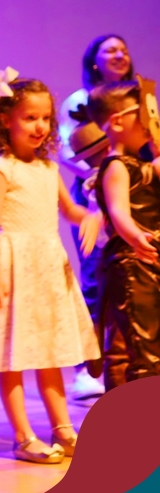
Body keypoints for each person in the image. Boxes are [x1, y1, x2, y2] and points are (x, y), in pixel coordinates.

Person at [0, 70, 101, 463]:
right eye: (30, 117)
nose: (40, 126)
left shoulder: (49, 168)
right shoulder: (1, 169)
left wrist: (91, 214)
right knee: (14, 355)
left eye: (45, 118)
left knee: (50, 353)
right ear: (6, 119)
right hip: (15, 267)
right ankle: (23, 437)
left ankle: (63, 429)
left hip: (48, 268)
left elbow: (69, 211)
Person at [57, 34, 137, 400]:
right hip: (93, 191)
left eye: (123, 49)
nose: (120, 55)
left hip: (135, 188)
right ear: (94, 61)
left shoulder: (138, 99)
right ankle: (89, 369)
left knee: (134, 278)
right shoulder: (80, 101)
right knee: (95, 279)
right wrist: (100, 173)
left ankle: (132, 359)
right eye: (110, 50)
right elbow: (66, 150)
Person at [87, 81, 160, 388]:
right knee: (143, 348)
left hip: (150, 260)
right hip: (131, 263)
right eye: (142, 114)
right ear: (117, 122)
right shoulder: (116, 166)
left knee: (154, 345)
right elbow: (118, 211)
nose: (150, 121)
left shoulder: (146, 165)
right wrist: (134, 236)